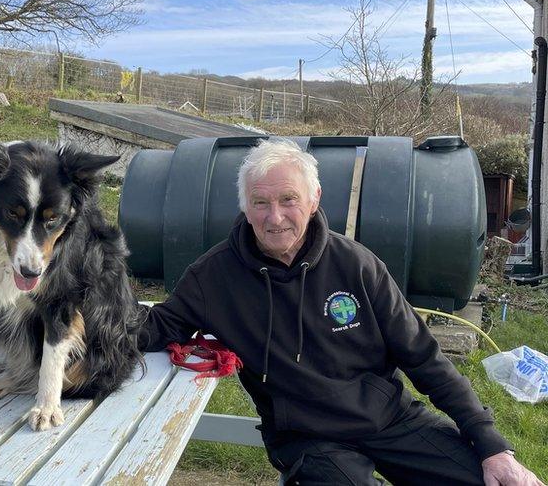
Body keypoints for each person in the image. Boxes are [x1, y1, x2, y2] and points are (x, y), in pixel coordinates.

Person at [140, 139, 544, 486]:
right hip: (307, 438)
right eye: (260, 203)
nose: (274, 217)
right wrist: (84, 315)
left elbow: (424, 358)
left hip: (389, 420)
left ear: (314, 199)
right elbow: (153, 327)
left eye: (288, 200)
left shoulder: (357, 265)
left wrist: (492, 446)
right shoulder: (213, 276)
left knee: (489, 479)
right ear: (245, 208)